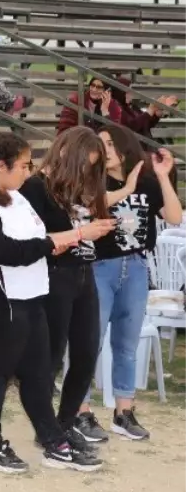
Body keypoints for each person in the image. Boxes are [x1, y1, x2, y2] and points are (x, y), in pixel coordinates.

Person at [0, 132, 110, 473]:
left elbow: (39, 240)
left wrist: (69, 237)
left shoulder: (15, 198)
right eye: (23, 166)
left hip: (30, 299)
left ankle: (53, 439)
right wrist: (75, 236)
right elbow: (6, 251)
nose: (28, 173)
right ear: (0, 165)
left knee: (39, 374)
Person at [71, 127, 181, 443]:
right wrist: (127, 187)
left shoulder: (147, 182)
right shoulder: (92, 182)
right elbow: (91, 208)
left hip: (135, 267)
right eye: (99, 144)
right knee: (89, 341)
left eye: (108, 143)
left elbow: (173, 216)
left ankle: (124, 411)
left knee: (127, 344)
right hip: (98, 267)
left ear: (124, 146)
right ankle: (81, 411)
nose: (103, 149)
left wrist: (162, 176)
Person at [19, 128, 115, 453]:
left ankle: (63, 423)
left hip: (84, 273)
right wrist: (80, 232)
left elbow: (89, 231)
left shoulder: (81, 189)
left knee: (88, 352)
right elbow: (35, 240)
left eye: (93, 168)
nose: (88, 174)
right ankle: (48, 430)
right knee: (51, 356)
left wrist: (99, 229)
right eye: (85, 166)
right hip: (54, 276)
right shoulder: (35, 187)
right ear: (66, 154)